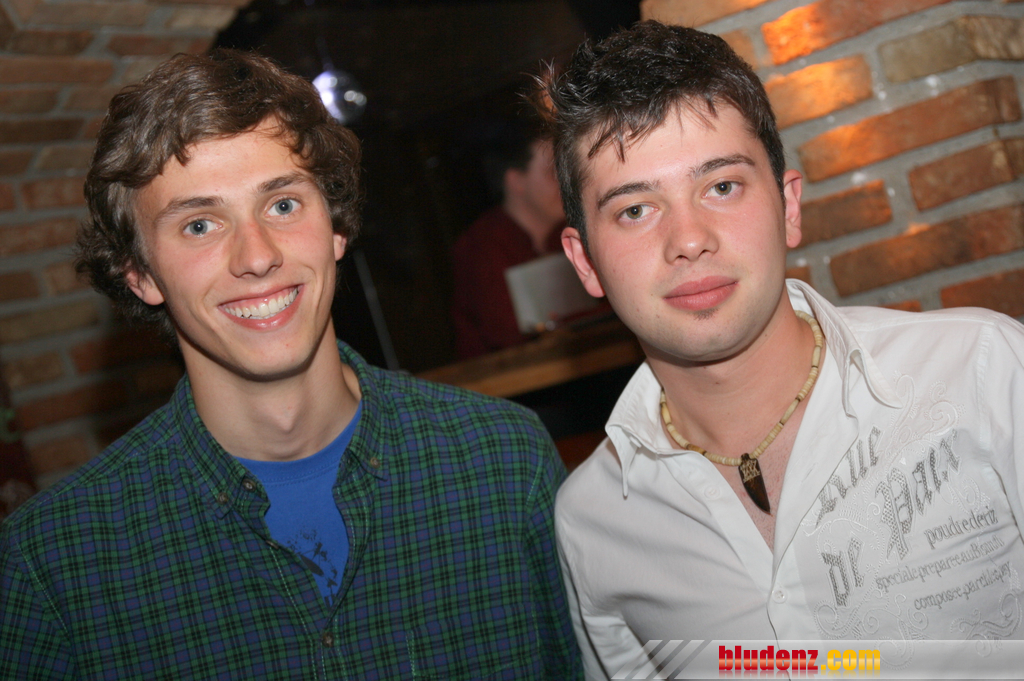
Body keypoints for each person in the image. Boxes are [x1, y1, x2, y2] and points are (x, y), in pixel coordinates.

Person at [0, 49, 582, 680]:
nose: (256, 257)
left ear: (336, 227)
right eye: (199, 225)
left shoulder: (503, 461)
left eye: (281, 205)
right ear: (139, 274)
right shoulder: (52, 566)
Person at [545, 20, 1024, 678]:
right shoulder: (593, 520)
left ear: (789, 206)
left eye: (722, 186)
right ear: (585, 262)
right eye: (635, 209)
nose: (689, 239)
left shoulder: (983, 372)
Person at [451, 120, 566, 358]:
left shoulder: (568, 236)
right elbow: (506, 336)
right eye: (553, 173)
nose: (566, 183)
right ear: (516, 181)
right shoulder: (481, 248)